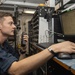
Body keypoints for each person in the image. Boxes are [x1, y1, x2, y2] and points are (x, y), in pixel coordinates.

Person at [0, 12, 75, 75]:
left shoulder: (5, 44)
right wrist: (54, 48)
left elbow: (18, 62)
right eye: (10, 23)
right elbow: (15, 70)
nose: (14, 26)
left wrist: (23, 50)